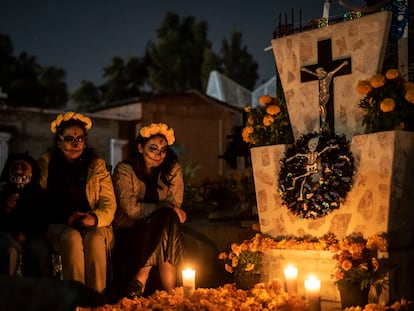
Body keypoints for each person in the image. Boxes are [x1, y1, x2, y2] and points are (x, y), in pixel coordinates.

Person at [38, 111, 116, 294]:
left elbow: (109, 204)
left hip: (93, 224)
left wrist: (93, 218)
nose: (75, 144)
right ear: (59, 142)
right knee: (71, 238)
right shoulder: (46, 164)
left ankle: (97, 299)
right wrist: (67, 218)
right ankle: (77, 300)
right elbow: (39, 201)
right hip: (59, 224)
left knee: (95, 239)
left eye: (80, 139)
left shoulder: (96, 166)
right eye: (69, 139)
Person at [111, 122, 186, 300]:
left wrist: (168, 209)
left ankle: (141, 277)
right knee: (167, 217)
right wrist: (165, 207)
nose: (159, 155)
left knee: (167, 219)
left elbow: (175, 205)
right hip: (131, 231)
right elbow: (132, 211)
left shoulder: (172, 169)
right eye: (153, 149)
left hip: (161, 229)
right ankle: (171, 293)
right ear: (140, 147)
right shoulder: (124, 170)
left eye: (163, 150)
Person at [0, 152, 49, 277]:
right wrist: (5, 210)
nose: (19, 171)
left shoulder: (39, 194)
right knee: (9, 252)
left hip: (32, 236)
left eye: (24, 167)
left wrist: (27, 234)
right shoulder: (3, 192)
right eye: (15, 167)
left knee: (41, 253)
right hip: (8, 236)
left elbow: (43, 219)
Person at [301, 61, 348, 132]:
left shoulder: (328, 76)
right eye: (318, 74)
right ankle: (324, 122)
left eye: (319, 73)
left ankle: (324, 122)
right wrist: (305, 70)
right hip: (321, 95)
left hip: (326, 94)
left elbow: (335, 70)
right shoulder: (320, 78)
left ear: (323, 72)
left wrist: (343, 64)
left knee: (322, 106)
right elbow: (312, 73)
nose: (318, 75)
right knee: (320, 107)